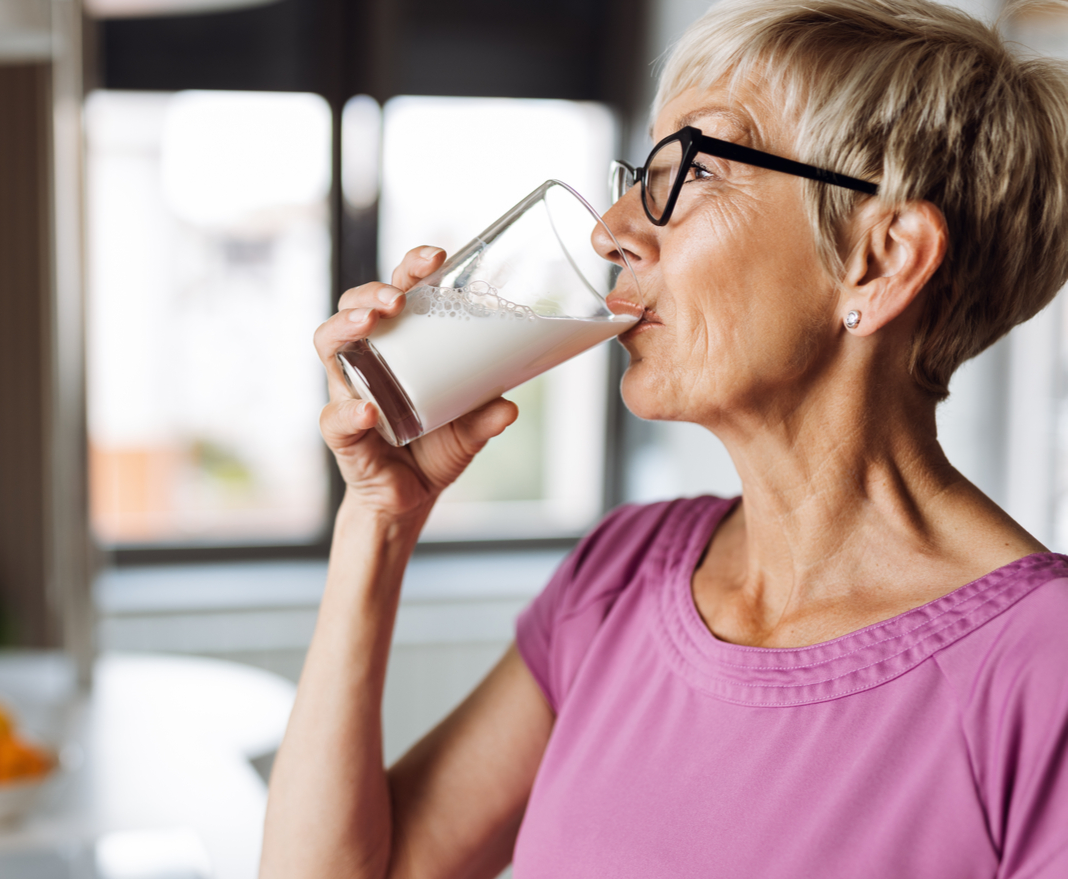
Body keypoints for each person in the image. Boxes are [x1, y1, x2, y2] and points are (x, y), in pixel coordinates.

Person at [261, 0, 1068, 875]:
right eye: (640, 169)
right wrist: (377, 519)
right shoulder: (622, 573)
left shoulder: (1042, 673)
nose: (611, 230)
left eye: (693, 169)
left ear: (881, 258)